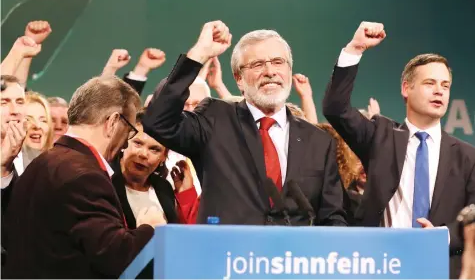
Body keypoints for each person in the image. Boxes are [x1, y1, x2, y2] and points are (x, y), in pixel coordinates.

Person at [143, 21, 347, 226]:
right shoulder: (214, 118)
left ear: (289, 69)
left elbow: (333, 218)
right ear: (239, 79)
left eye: (278, 62)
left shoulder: (320, 142)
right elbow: (158, 120)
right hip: (228, 255)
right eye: (258, 64)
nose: (270, 71)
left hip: (292, 256)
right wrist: (199, 53)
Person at [322, 21, 475, 278]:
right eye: (429, 83)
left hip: (441, 267)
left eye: (445, 85)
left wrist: (443, 235)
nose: (439, 90)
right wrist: (355, 49)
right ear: (406, 88)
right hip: (381, 266)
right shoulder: (380, 135)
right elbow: (336, 108)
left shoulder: (467, 156)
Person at [3, 75, 163, 278]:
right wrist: (150, 228)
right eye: (129, 130)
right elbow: (116, 258)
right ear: (113, 122)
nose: (126, 142)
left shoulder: (44, 162)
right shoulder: (85, 177)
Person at [112, 108, 199, 227]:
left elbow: (184, 237)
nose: (143, 154)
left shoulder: (164, 189)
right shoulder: (105, 183)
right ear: (124, 142)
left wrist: (185, 195)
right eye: (138, 143)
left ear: (164, 156)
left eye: (154, 149)